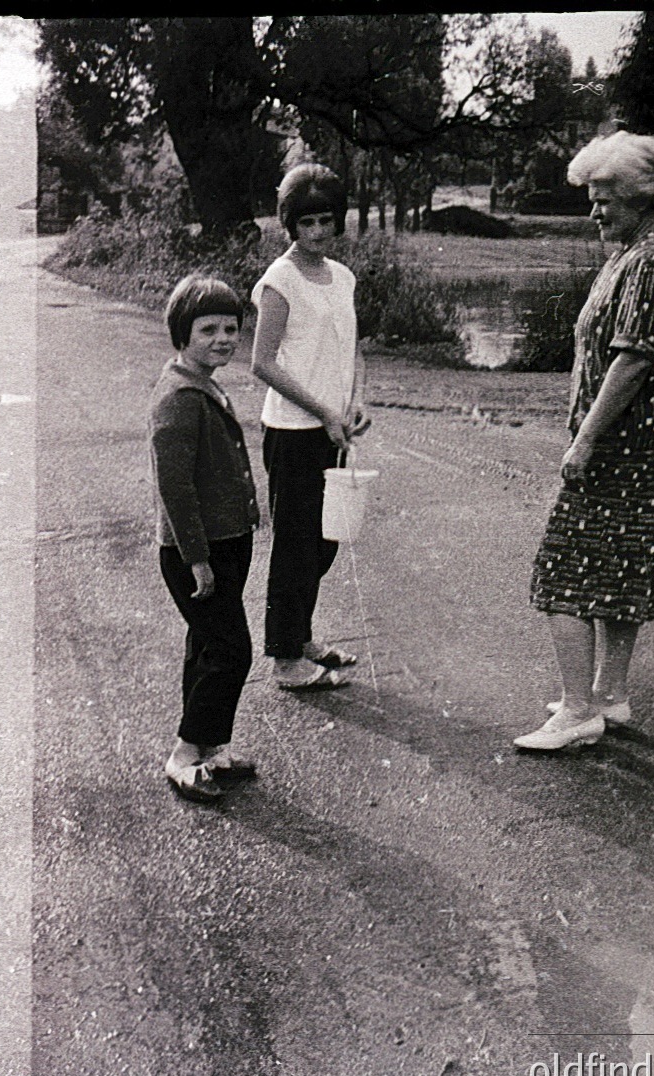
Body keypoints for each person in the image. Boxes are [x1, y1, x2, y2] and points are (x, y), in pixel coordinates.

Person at [515, 131, 654, 750]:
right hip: (637, 452)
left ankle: (577, 714)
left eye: (604, 199)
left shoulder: (647, 263)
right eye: (591, 199)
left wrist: (584, 441)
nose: (594, 211)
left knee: (560, 574)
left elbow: (631, 362)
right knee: (615, 577)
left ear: (640, 196)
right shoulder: (631, 254)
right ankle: (607, 696)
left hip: (618, 451)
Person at [250, 163, 371, 692]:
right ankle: (284, 659)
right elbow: (262, 362)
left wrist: (355, 401)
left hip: (333, 430)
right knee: (296, 544)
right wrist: (322, 409)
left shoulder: (342, 276)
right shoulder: (278, 280)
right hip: (293, 430)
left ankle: (301, 639)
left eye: (325, 220)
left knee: (324, 543)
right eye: (307, 223)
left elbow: (354, 348)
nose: (318, 232)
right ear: (289, 224)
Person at [150, 275, 262, 802]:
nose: (222, 338)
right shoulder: (178, 397)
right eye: (208, 329)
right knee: (229, 651)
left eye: (231, 328)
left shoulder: (206, 384)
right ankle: (184, 754)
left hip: (227, 541)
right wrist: (197, 559)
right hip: (197, 551)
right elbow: (174, 489)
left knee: (207, 647)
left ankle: (214, 747)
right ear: (182, 332)